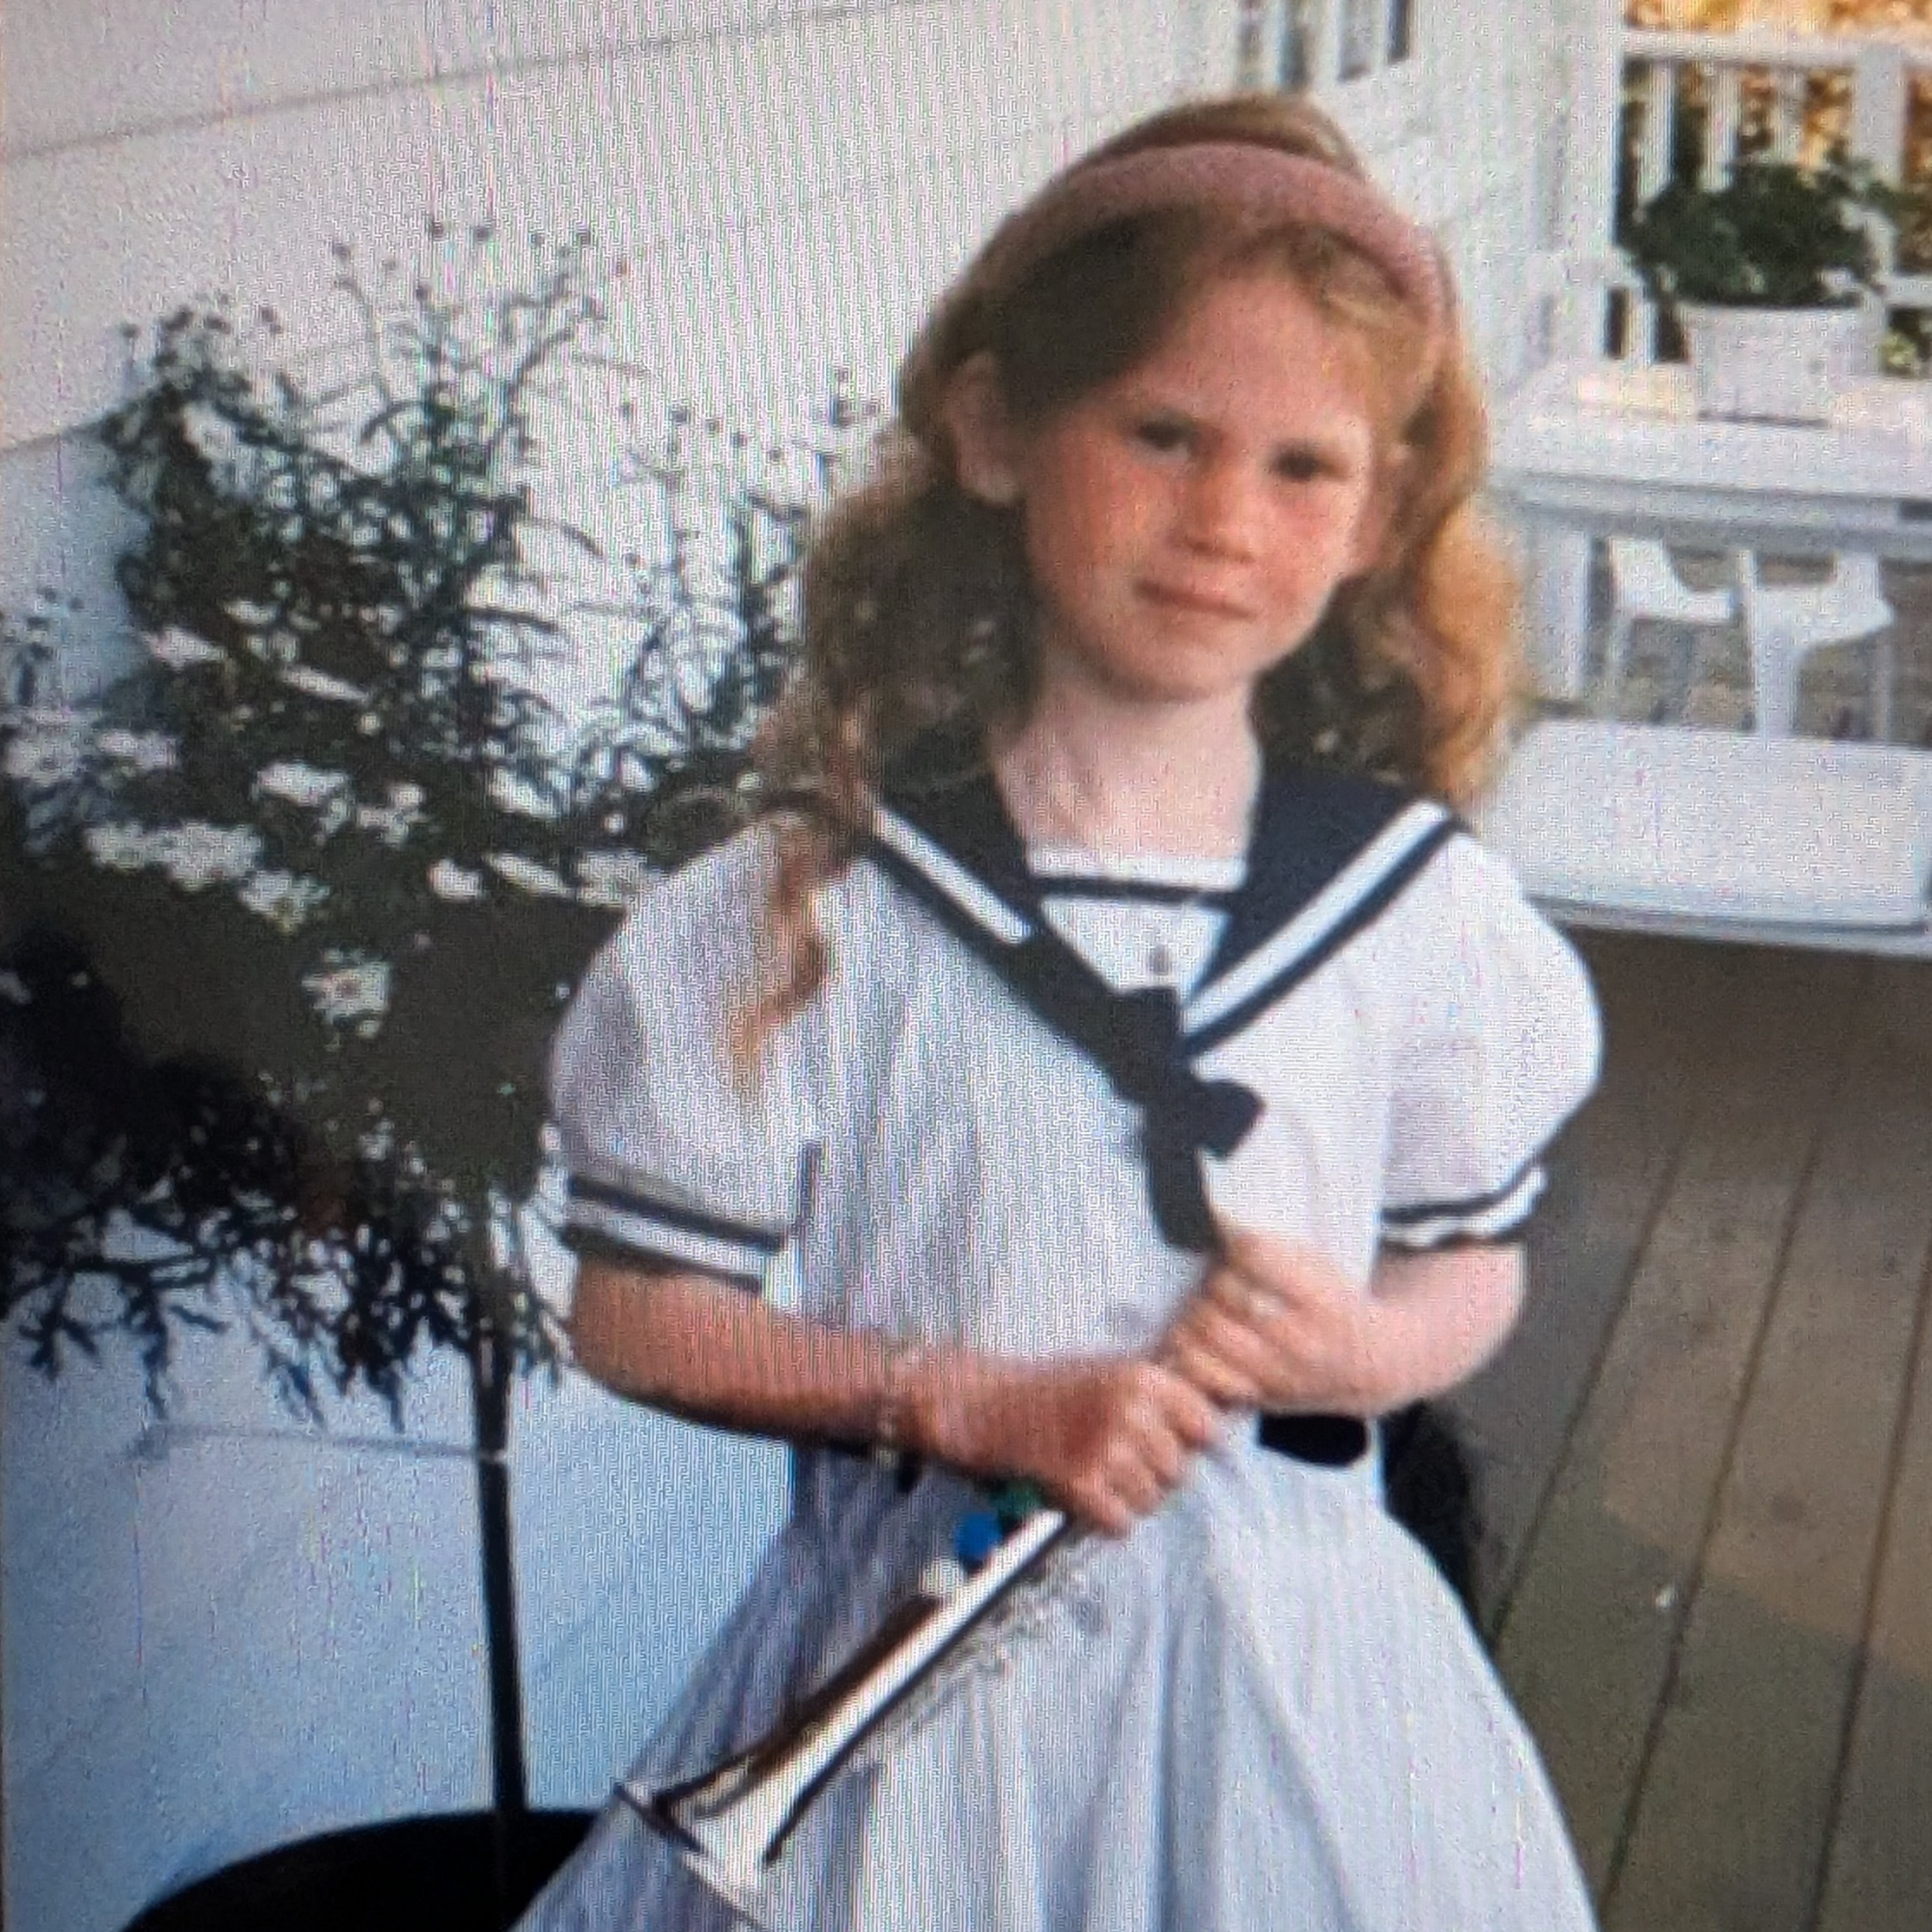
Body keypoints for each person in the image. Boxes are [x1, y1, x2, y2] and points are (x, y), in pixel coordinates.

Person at [522, 89, 1603, 1932]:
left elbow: (1466, 1268)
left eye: (1301, 469)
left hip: (1307, 1693)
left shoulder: (1420, 916)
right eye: (1163, 433)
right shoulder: (811, 908)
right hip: (914, 1710)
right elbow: (635, 1313)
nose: (1222, 523)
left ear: (1379, 515)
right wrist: (967, 1394)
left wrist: (1355, 1352)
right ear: (996, 430)